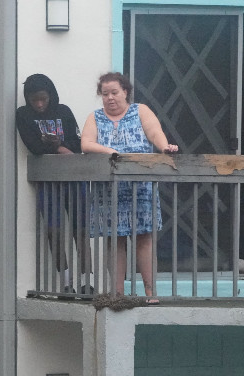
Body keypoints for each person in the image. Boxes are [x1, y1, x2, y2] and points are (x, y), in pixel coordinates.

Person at [80, 72, 179, 303]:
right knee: (115, 240)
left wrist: (165, 148)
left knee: (144, 238)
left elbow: (155, 133)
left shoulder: (140, 110)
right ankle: (117, 294)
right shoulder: (95, 117)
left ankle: (151, 293)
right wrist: (111, 152)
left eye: (114, 92)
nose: (110, 98)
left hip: (140, 186)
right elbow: (86, 143)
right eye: (105, 94)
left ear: (125, 91)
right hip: (109, 191)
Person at [15, 74, 93, 294]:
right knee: (54, 230)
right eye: (34, 100)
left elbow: (78, 144)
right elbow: (33, 147)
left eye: (43, 99)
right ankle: (66, 283)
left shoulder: (64, 112)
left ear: (50, 96)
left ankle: (87, 282)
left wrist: (61, 145)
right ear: (28, 98)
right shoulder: (23, 115)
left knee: (82, 230)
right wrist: (60, 148)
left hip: (74, 180)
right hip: (48, 183)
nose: (39, 104)